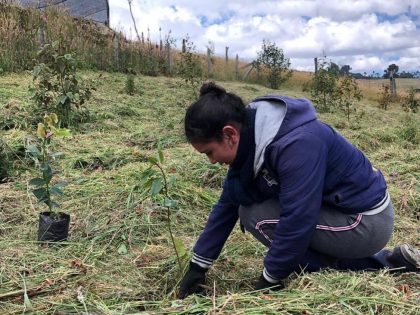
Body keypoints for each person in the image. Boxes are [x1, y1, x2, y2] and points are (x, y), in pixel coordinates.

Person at [178, 82, 419, 299]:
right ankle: (388, 261)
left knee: (255, 217)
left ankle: (374, 263)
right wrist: (198, 267)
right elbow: (227, 204)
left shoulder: (297, 143)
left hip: (365, 220)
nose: (211, 161)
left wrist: (269, 279)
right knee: (248, 207)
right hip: (337, 208)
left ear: (230, 134)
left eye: (209, 152)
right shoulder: (251, 136)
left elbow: (298, 219)